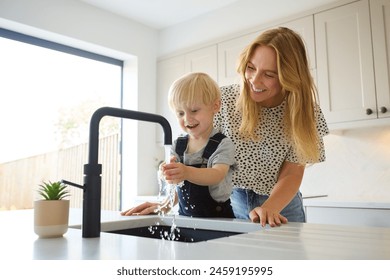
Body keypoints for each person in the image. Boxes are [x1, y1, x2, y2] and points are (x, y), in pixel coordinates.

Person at [213, 27, 329, 227]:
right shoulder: (224, 101)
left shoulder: (305, 111)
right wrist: (167, 202)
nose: (254, 81)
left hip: (283, 205)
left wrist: (271, 207)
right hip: (232, 201)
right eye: (251, 67)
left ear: (289, 77)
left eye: (269, 74)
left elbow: (292, 171)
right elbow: (200, 158)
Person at [121, 72, 236, 218]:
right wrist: (167, 179)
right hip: (185, 219)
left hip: (219, 220)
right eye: (180, 113)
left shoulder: (223, 144)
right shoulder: (179, 145)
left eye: (194, 110)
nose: (187, 118)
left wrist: (186, 172)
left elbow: (217, 175)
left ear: (215, 106)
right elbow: (178, 186)